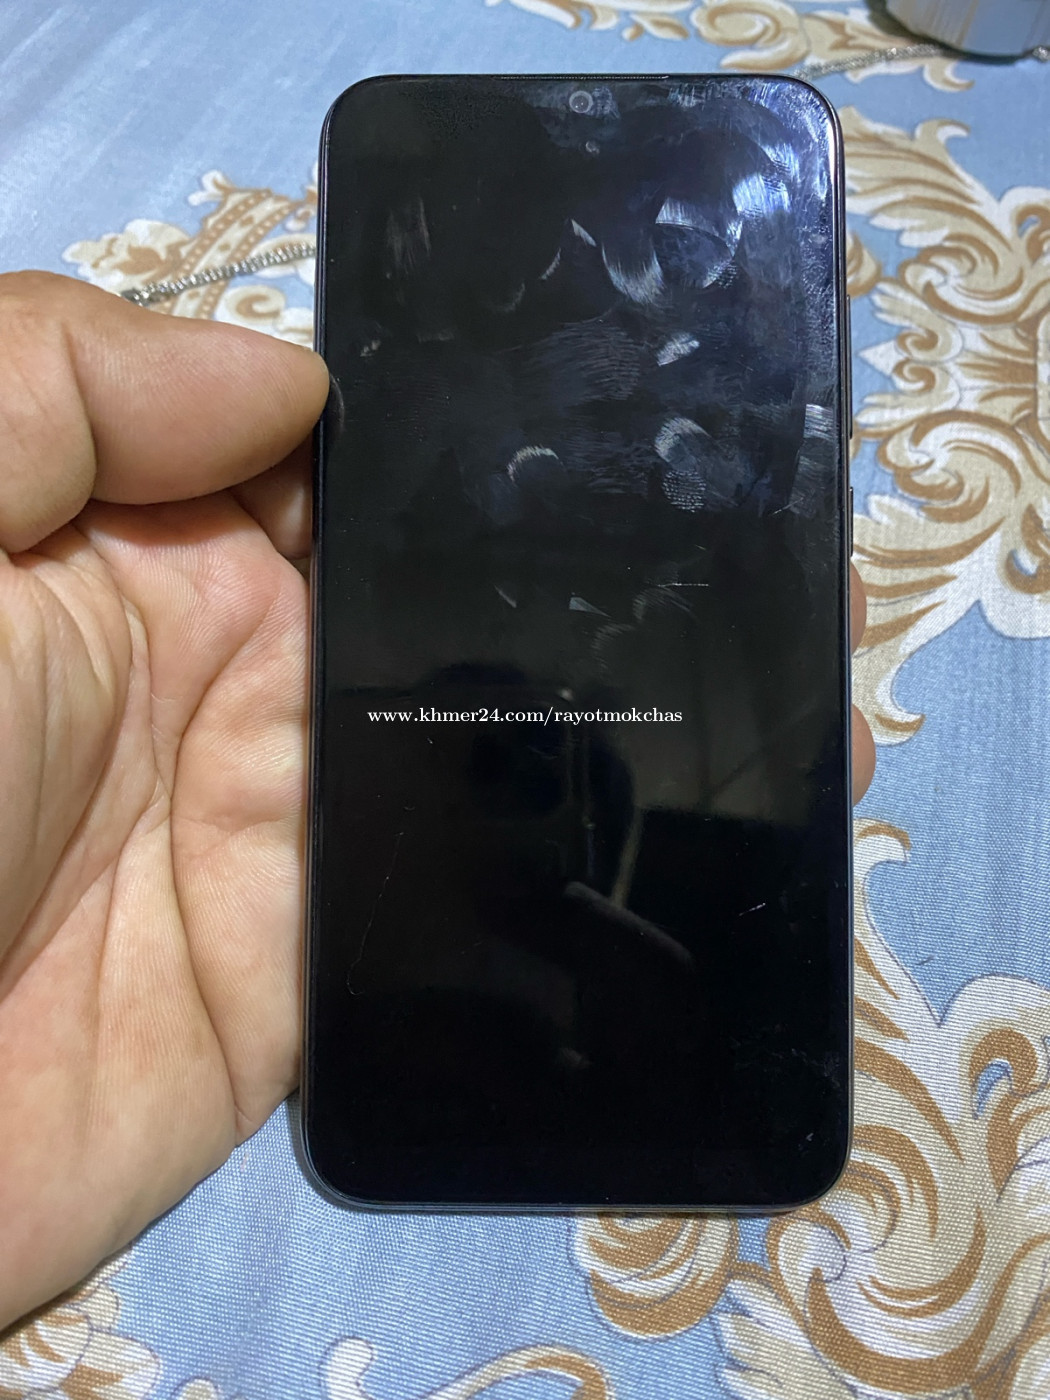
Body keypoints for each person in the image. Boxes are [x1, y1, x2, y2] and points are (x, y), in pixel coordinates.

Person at [0, 272, 876, 1332]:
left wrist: (658, 1014)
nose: (510, 793)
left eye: (541, 775)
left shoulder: (561, 1006)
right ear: (371, 734)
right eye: (481, 755)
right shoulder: (300, 896)